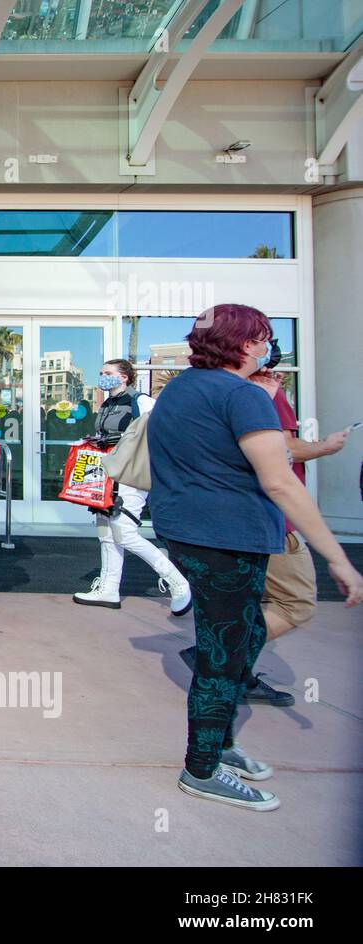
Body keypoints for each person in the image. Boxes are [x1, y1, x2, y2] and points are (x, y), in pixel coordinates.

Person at [148, 304, 363, 811]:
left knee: (233, 641)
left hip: (190, 533)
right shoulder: (243, 396)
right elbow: (279, 480)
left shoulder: (180, 387)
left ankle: (219, 745)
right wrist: (339, 558)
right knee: (222, 658)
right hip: (228, 540)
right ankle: (202, 769)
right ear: (243, 343)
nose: (268, 348)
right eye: (263, 339)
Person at [180, 363, 355, 707]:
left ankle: (233, 670)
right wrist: (326, 446)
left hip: (231, 523)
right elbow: (284, 455)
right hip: (271, 521)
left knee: (255, 601)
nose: (276, 375)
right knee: (296, 604)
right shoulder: (258, 398)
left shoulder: (213, 397)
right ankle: (216, 658)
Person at [71, 359, 191, 614]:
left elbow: (162, 430)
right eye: (101, 372)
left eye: (109, 373)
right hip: (108, 470)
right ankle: (109, 588)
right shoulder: (108, 404)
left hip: (131, 473)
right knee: (105, 530)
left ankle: (177, 582)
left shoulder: (140, 401)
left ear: (124, 377)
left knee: (124, 531)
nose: (103, 377)